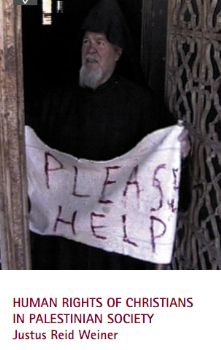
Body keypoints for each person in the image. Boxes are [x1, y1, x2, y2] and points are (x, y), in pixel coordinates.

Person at [26, 0, 189, 269]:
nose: (90, 50)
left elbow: (163, 158)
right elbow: (33, 148)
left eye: (100, 43)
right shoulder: (57, 101)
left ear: (118, 52)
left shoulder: (141, 105)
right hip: (66, 243)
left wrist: (179, 150)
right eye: (86, 42)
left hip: (111, 246)